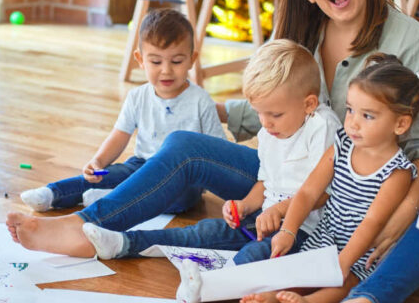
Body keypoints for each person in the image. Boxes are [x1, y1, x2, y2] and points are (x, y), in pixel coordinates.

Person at [7, 0, 419, 303]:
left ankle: (340, 300)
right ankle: (91, 227)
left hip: (364, 193)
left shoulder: (406, 38)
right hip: (295, 178)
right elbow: (274, 106)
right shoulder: (307, 30)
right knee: (184, 144)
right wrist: (203, 105)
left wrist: (404, 212)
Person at [81, 39, 339, 265]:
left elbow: (319, 194)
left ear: (309, 104)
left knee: (252, 256)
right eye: (259, 113)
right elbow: (265, 181)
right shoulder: (270, 131)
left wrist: (279, 212)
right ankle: (126, 243)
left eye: (275, 114)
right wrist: (245, 205)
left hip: (303, 231)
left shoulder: (322, 127)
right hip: (266, 221)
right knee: (202, 232)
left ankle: (213, 284)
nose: (265, 123)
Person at [231, 54, 419, 303]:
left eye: (367, 116)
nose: (353, 122)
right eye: (350, 110)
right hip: (327, 234)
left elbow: (372, 222)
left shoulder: (398, 172)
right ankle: (274, 299)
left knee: (345, 282)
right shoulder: (341, 145)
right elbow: (307, 192)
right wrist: (288, 229)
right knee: (302, 269)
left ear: (400, 124)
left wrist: (342, 263)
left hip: (361, 249)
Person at [19, 8, 224, 212]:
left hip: (183, 177)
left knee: (183, 197)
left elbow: (219, 149)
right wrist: (98, 161)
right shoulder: (137, 97)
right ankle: (51, 194)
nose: (166, 70)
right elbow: (119, 136)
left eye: (177, 61)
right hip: (141, 165)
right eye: (155, 61)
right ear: (140, 59)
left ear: (192, 59)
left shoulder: (200, 100)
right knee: (105, 176)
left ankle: (113, 198)